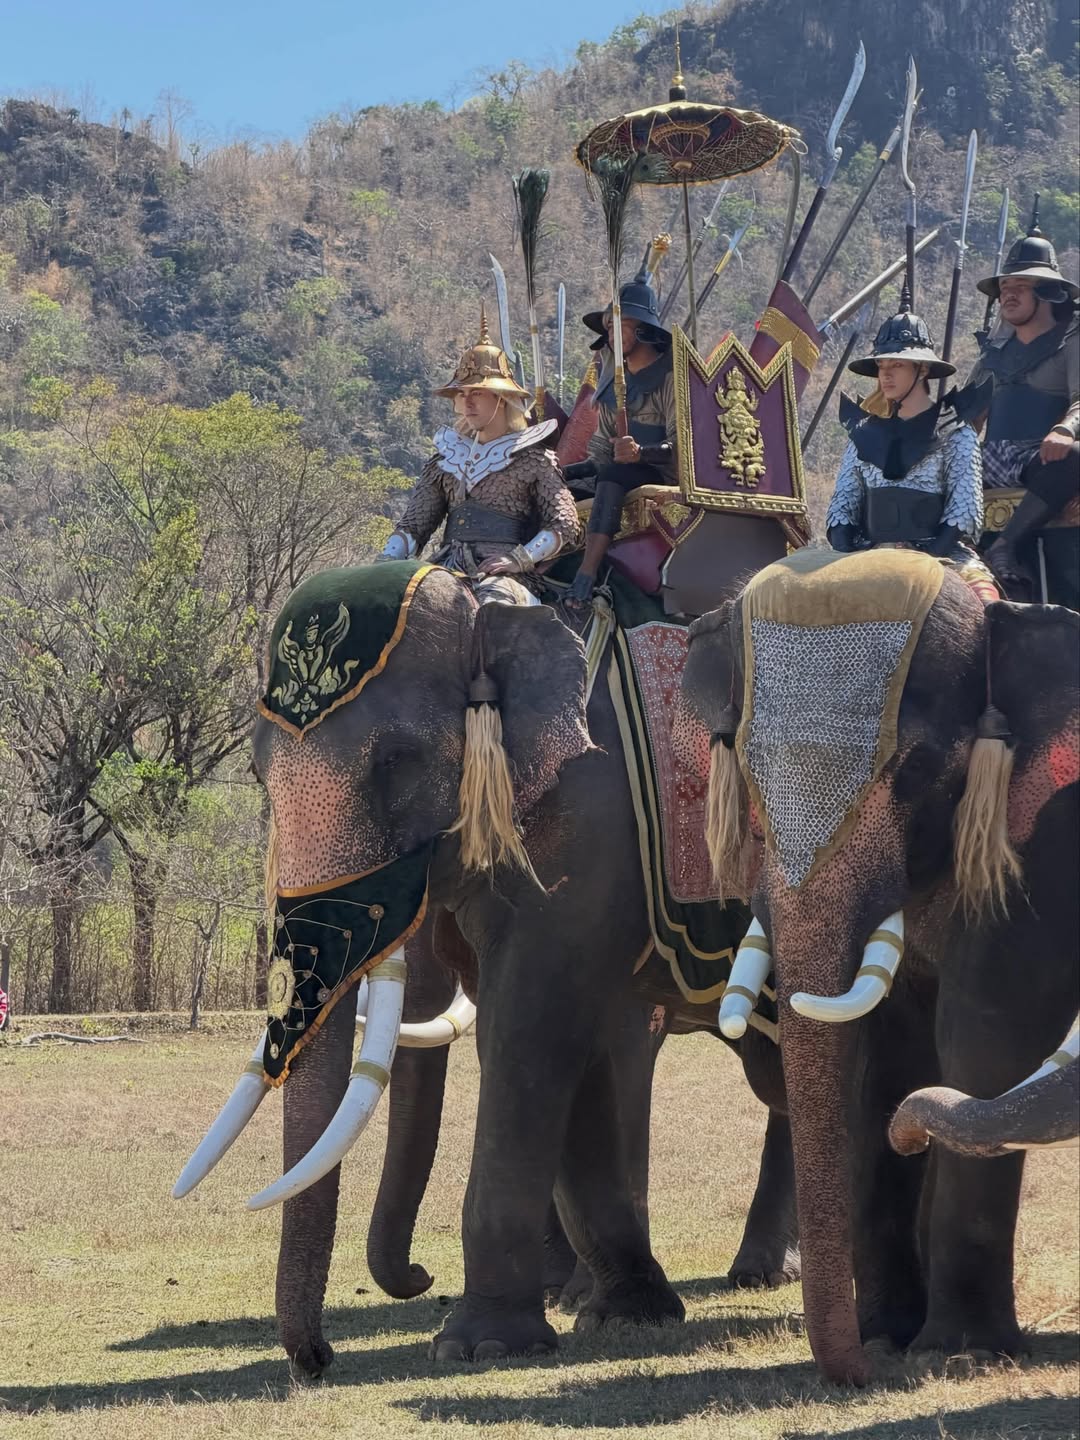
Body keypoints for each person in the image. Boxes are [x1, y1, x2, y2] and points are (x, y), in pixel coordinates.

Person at [381, 308, 580, 605]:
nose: (467, 401)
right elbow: (413, 526)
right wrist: (385, 559)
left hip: (505, 576)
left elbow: (565, 523)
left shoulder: (533, 459)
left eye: (477, 392)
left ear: (500, 399)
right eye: (461, 394)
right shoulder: (444, 462)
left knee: (494, 606)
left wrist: (520, 558)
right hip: (445, 568)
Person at [826, 291, 991, 595]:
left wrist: (925, 561)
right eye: (881, 365)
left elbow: (964, 511)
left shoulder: (956, 432)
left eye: (898, 365)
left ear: (923, 369)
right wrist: (845, 555)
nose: (885, 374)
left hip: (941, 556)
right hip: (868, 552)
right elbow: (842, 509)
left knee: (986, 600)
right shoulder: (863, 433)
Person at [966, 201, 1079, 607]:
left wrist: (1065, 429)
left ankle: (1007, 544)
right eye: (1004, 289)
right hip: (989, 460)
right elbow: (963, 418)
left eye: (1019, 287)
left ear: (1047, 291)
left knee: (1075, 458)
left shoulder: (1071, 341)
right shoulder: (993, 353)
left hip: (1041, 458)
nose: (1007, 296)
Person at [564, 264, 678, 606]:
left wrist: (641, 452)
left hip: (663, 471)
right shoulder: (613, 386)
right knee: (556, 486)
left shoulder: (671, 377)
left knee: (615, 473)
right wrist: (561, 472)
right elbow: (601, 452)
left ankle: (587, 574)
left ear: (643, 329)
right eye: (609, 327)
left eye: (621, 325)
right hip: (620, 468)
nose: (613, 333)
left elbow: (681, 444)